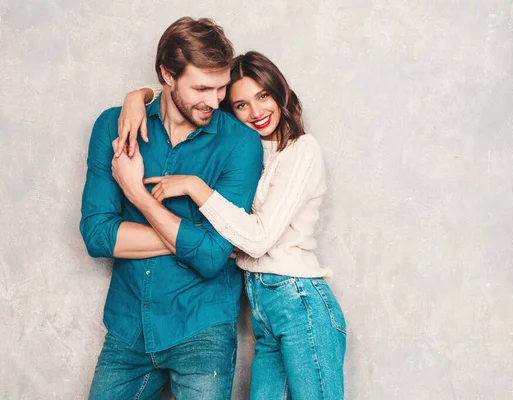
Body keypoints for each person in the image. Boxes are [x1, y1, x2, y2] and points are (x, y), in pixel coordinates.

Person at [117, 51, 347, 399]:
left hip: (299, 301)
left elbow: (256, 240)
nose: (255, 112)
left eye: (263, 96)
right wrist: (137, 97)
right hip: (263, 310)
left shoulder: (302, 151)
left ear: (279, 91)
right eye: (240, 105)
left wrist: (196, 187)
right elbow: (181, 95)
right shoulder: (249, 150)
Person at [79, 17, 263, 399]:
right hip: (128, 326)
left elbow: (213, 261)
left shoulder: (241, 144)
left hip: (203, 328)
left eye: (221, 87)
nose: (214, 101)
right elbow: (97, 235)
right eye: (201, 87)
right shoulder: (114, 126)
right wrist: (200, 242)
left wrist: (137, 193)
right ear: (167, 74)